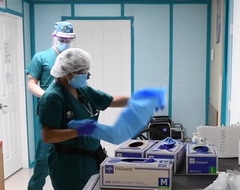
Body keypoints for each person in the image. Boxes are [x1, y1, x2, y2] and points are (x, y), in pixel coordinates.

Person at [38, 48, 165, 190]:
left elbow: (113, 100)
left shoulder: (83, 91)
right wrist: (78, 131)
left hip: (91, 160)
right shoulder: (53, 98)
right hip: (69, 166)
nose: (87, 76)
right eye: (82, 72)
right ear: (67, 73)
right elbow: (48, 135)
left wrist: (141, 99)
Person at [25, 21, 76, 190]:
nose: (65, 43)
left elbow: (81, 83)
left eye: (68, 40)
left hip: (71, 112)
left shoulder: (75, 59)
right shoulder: (41, 57)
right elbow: (31, 84)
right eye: (62, 39)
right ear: (54, 36)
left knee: (71, 156)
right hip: (49, 113)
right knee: (43, 158)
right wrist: (48, 96)